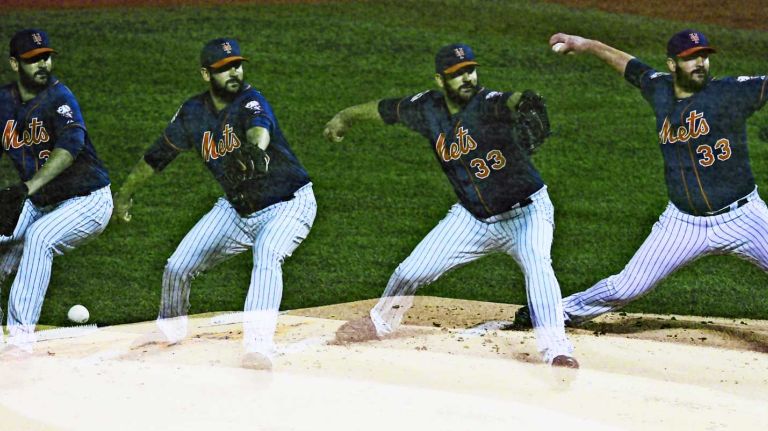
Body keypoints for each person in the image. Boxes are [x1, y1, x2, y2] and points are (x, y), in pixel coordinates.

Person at [324, 43, 578, 368]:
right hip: (473, 218)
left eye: (470, 70)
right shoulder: (426, 108)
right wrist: (345, 117)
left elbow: (511, 99)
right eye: (457, 74)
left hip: (527, 214)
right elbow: (385, 109)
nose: (467, 78)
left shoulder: (488, 103)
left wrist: (526, 99)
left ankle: (557, 350)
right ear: (440, 80)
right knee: (409, 272)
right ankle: (379, 322)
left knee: (539, 267)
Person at [516, 30, 768, 327]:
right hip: (683, 223)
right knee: (625, 287)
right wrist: (586, 44)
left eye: (704, 56)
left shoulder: (731, 92)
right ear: (672, 65)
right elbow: (631, 67)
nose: (700, 63)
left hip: (743, 217)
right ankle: (552, 312)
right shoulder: (660, 89)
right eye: (691, 58)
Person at [113, 38, 316, 370]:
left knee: (267, 253)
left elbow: (259, 129)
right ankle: (169, 328)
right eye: (224, 68)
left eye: (236, 65)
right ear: (206, 74)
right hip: (238, 210)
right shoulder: (193, 113)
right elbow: (157, 157)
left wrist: (255, 149)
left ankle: (258, 347)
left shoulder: (251, 101)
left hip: (288, 205)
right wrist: (124, 194)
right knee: (177, 266)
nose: (233, 72)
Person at [0, 29, 113, 353]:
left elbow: (70, 147)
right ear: (15, 64)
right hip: (40, 202)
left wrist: (28, 187)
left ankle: (20, 343)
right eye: (33, 60)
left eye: (46, 58)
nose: (42, 65)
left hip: (88, 200)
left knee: (39, 238)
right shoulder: (3, 102)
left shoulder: (59, 97)